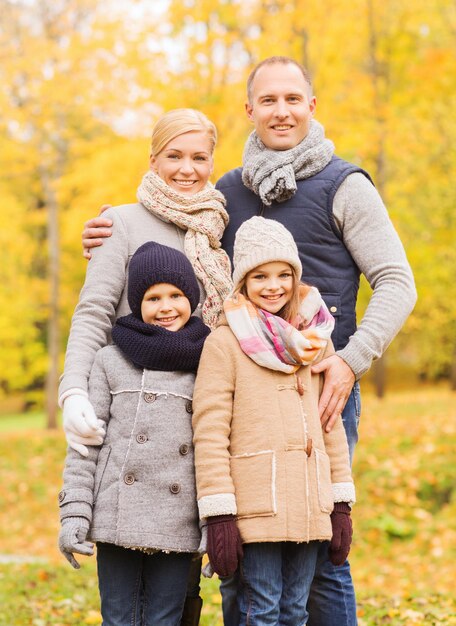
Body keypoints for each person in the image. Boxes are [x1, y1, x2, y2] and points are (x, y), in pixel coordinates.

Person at [78, 57, 417, 625]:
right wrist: (110, 231)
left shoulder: (345, 184)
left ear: (312, 105)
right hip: (236, 393)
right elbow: (173, 228)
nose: (280, 111)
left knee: (321, 551)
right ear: (250, 110)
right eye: (268, 100)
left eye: (292, 99)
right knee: (239, 549)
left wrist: (350, 363)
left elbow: (398, 283)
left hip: (320, 386)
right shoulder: (229, 190)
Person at [59, 108, 233, 626]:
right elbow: (93, 311)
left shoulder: (217, 228)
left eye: (199, 157)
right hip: (125, 403)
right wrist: (73, 391)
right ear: (153, 159)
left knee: (177, 607)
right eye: (174, 156)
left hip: (192, 411)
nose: (187, 168)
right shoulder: (122, 222)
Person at [192, 216, 356, 625]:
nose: (274, 285)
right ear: (243, 281)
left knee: (296, 611)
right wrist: (220, 514)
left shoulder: (315, 340)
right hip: (255, 506)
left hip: (309, 504)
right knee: (259, 609)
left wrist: (340, 503)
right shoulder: (225, 342)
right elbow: (210, 431)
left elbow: (330, 424)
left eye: (285, 274)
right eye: (260, 275)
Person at [59, 242, 211, 625]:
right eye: (152, 297)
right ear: (136, 304)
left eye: (176, 295)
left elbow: (213, 450)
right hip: (116, 516)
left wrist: (215, 523)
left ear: (191, 298)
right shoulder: (111, 359)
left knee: (165, 618)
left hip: (179, 518)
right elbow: (85, 448)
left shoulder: (210, 359)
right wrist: (74, 513)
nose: (165, 307)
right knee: (118, 618)